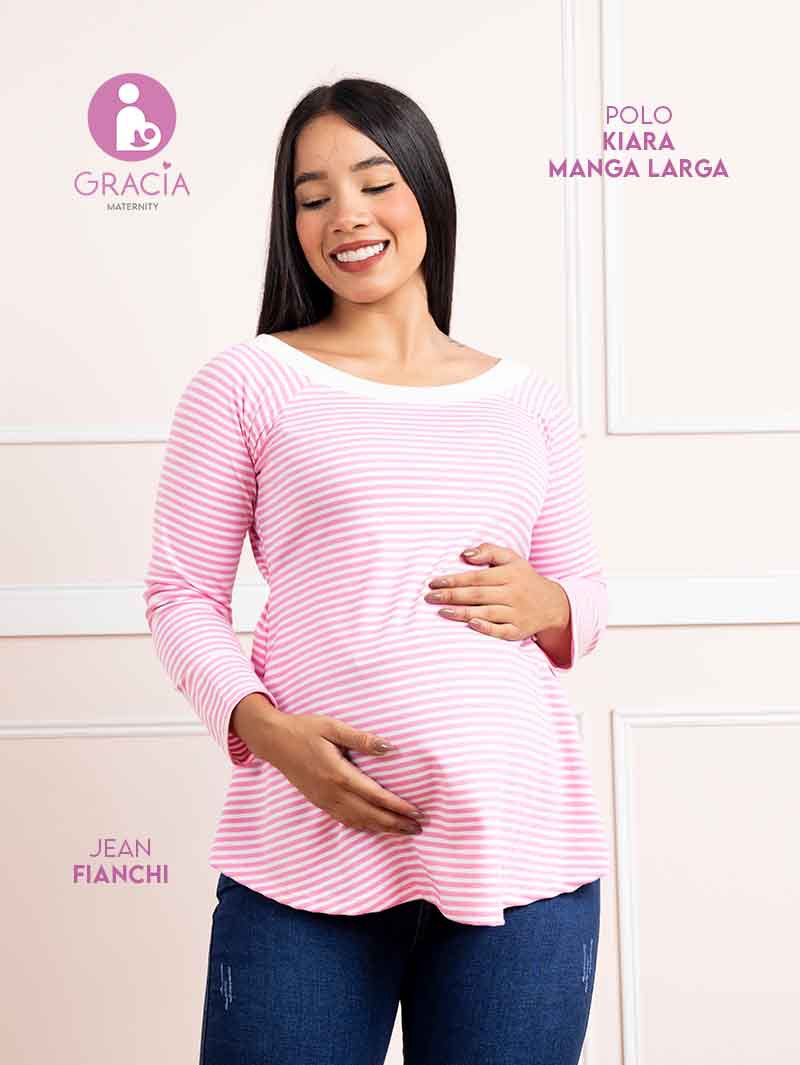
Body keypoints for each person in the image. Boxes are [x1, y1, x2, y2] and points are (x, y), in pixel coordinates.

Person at [143, 77, 609, 1065]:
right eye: (312, 198)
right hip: (303, 851)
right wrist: (266, 732)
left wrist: (550, 601)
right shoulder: (247, 382)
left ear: (427, 191)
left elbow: (584, 595)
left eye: (374, 182)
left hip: (520, 849)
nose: (345, 216)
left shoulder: (527, 400)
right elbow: (180, 596)